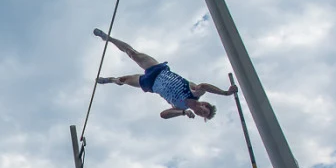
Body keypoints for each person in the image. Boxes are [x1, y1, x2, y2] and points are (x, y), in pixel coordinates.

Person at [92, 29, 236, 121]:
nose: (201, 114)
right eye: (204, 112)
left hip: (150, 84)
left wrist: (183, 113)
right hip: (157, 70)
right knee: (133, 53)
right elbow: (204, 86)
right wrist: (225, 93)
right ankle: (108, 38)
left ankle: (112, 79)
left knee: (123, 80)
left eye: (202, 116)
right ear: (204, 105)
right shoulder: (195, 93)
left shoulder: (181, 108)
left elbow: (163, 115)